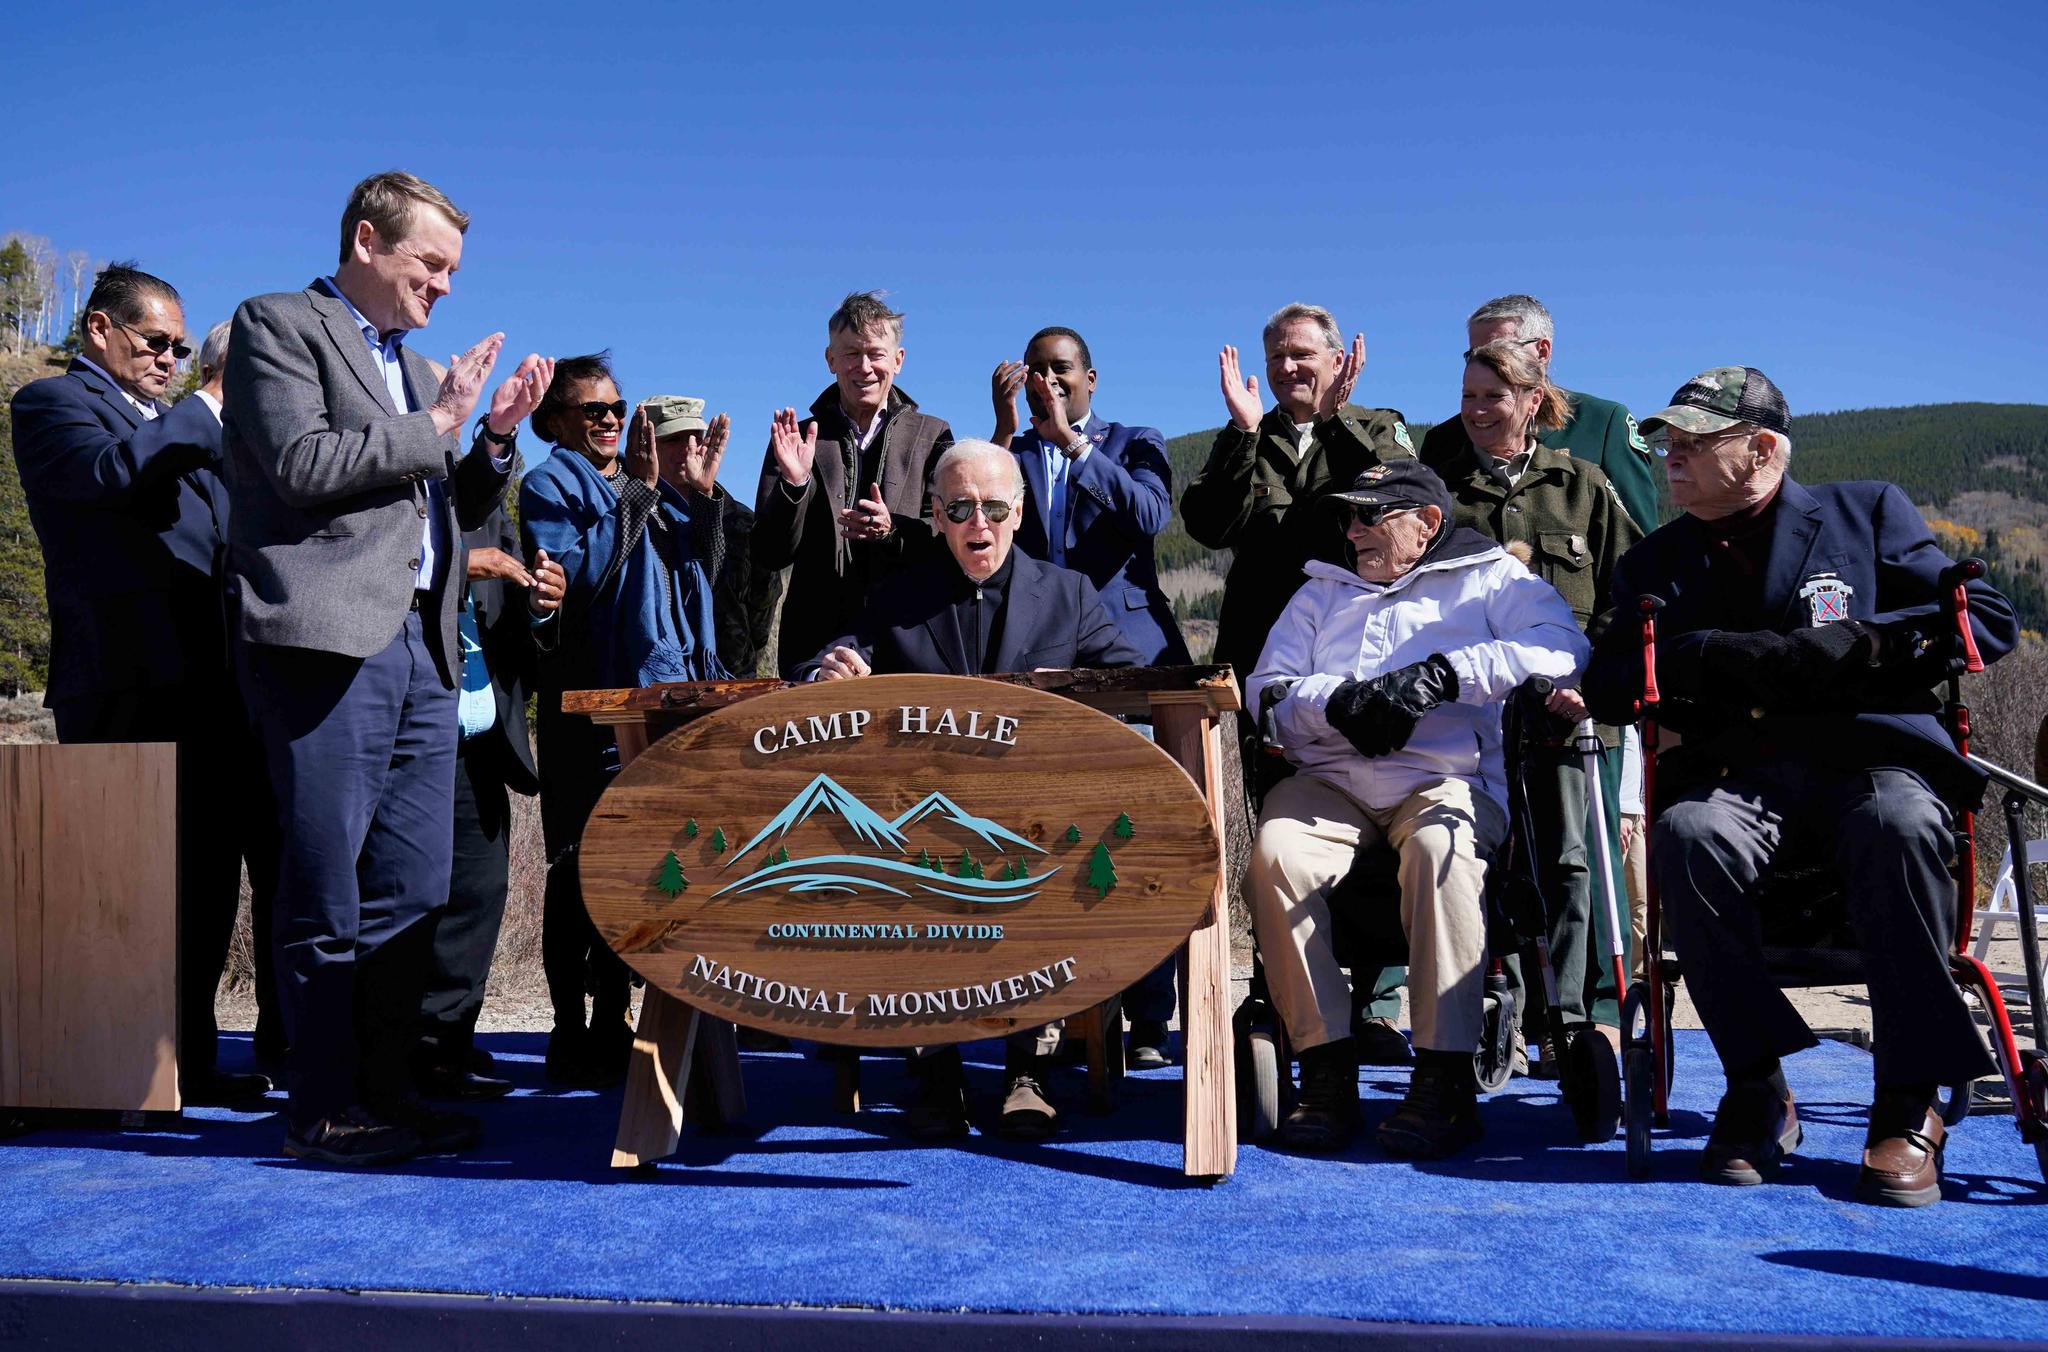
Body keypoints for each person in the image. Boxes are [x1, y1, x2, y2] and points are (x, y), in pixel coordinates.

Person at [1582, 365, 2017, 1207]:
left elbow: (1984, 621)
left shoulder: (1866, 513)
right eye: (1666, 441)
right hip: (1737, 772)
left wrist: (1865, 643)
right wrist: (1701, 653)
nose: (1671, 456)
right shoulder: (1653, 561)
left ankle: (1906, 1100)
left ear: (1765, 448)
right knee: (1686, 833)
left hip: (1871, 758)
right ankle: (1756, 1086)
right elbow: (1605, 682)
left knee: (1897, 822)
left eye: (1695, 442)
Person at [225, 171, 557, 1166]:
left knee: (414, 885)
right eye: (430, 264)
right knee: (326, 886)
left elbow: (435, 492)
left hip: (422, 650)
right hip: (324, 644)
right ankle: (324, 1104)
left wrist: (491, 433)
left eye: (453, 270)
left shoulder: (414, 372)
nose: (445, 287)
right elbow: (303, 465)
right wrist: (440, 422)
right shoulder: (276, 324)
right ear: (367, 241)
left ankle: (388, 1091)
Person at [1245, 460, 1588, 1156]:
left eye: (1371, 516)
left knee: (1443, 850)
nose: (1353, 530)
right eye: (1349, 516)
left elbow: (1562, 649)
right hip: (1332, 779)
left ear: (1426, 524)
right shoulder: (1320, 591)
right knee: (1275, 855)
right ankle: (1326, 1071)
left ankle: (1443, 1078)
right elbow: (1267, 690)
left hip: (1445, 776)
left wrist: (1444, 676)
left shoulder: (1491, 578)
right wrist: (1334, 701)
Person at [807, 439, 1142, 1139]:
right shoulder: (896, 599)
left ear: (1018, 512)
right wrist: (831, 675)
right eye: (959, 508)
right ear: (934, 515)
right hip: (926, 827)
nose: (977, 524)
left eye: (992, 507)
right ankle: (937, 1068)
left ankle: (1027, 1069)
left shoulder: (1071, 595)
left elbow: (1132, 687)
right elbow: (839, 658)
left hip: (1038, 824)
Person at [9, 269, 270, 1106]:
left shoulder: (180, 428)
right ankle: (107, 1063)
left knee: (202, 884)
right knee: (129, 885)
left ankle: (184, 1060)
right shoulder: (53, 405)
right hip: (124, 682)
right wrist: (212, 405)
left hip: (211, 686)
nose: (169, 359)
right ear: (98, 329)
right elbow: (104, 476)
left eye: (181, 348)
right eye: (155, 342)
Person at [1179, 304, 1419, 1064]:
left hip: (1362, 663)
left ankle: (1377, 1000)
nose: (1289, 369)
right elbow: (1211, 525)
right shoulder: (1248, 435)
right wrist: (1246, 434)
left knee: (1375, 818)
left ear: (1336, 357)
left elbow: (1403, 503)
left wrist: (1343, 421)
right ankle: (1281, 992)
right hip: (1265, 669)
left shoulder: (1378, 427)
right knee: (1268, 828)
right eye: (1277, 357)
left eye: (1303, 355)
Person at [1431, 339, 1641, 1069]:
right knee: (1485, 863)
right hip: (1471, 719)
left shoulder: (1581, 486)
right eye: (1467, 398)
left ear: (1530, 402)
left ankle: (1577, 1020)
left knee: (1570, 863)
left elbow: (1631, 596)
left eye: (1493, 397)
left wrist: (1597, 683)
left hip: (1568, 716)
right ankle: (1504, 1010)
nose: (1479, 411)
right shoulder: (1441, 495)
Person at [521, 364, 733, 1084]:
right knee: (579, 865)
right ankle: (568, 1027)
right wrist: (640, 495)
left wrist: (699, 501)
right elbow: (581, 582)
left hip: (667, 704)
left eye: (616, 407)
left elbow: (705, 570)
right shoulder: (550, 485)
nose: (609, 420)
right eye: (592, 412)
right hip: (592, 710)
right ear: (553, 422)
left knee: (642, 864)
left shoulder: (647, 489)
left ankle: (617, 1012)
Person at [990, 325, 1190, 1067]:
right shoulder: (1009, 456)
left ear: (1090, 378)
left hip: (1129, 663)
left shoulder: (1135, 440)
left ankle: (1146, 1019)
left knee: (1136, 840)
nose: (1049, 380)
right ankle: (1057, 1010)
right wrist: (1009, 434)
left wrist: (1073, 444)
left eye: (1062, 369)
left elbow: (1150, 517)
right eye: (1036, 369)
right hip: (1039, 669)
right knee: (1040, 840)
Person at [412, 495, 546, 1099]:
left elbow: (519, 627)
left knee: (478, 890)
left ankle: (446, 1044)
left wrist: (545, 604)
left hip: (481, 741)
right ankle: (399, 1051)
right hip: (408, 738)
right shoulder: (390, 495)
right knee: (410, 893)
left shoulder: (489, 512)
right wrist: (458, 562)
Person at [754, 291, 953, 678]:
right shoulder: (796, 437)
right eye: (850, 354)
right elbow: (768, 553)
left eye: (876, 353)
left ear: (898, 359)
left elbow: (949, 538)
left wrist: (893, 530)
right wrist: (794, 487)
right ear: (830, 360)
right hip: (815, 646)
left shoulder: (933, 435)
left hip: (909, 636)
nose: (864, 367)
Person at [1420, 294, 1659, 534]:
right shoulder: (1443, 441)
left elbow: (1641, 541)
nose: (1484, 361)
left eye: (1501, 348)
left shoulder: (1602, 423)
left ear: (1542, 351)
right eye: (1474, 353)